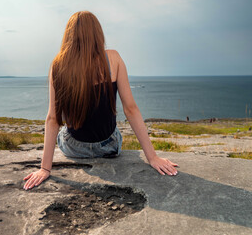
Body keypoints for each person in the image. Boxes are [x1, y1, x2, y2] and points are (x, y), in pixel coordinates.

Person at [23, 11, 178, 191]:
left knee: (65, 131)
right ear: (98, 33)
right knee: (115, 130)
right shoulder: (113, 58)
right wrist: (152, 157)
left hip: (74, 148)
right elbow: (131, 109)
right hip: (109, 147)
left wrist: (45, 168)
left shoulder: (58, 65)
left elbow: (53, 119)